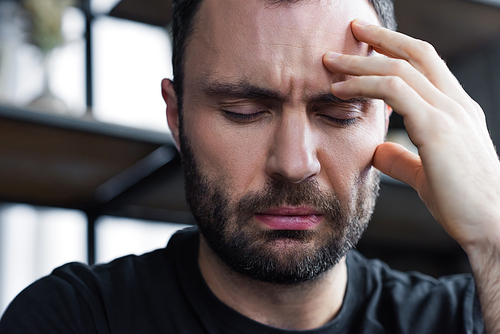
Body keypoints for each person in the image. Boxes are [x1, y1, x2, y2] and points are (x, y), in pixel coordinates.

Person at [1, 0, 499, 332]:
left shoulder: (465, 318)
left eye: (339, 114)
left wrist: (494, 242)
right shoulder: (75, 319)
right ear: (177, 117)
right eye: (243, 112)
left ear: (387, 116)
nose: (294, 163)